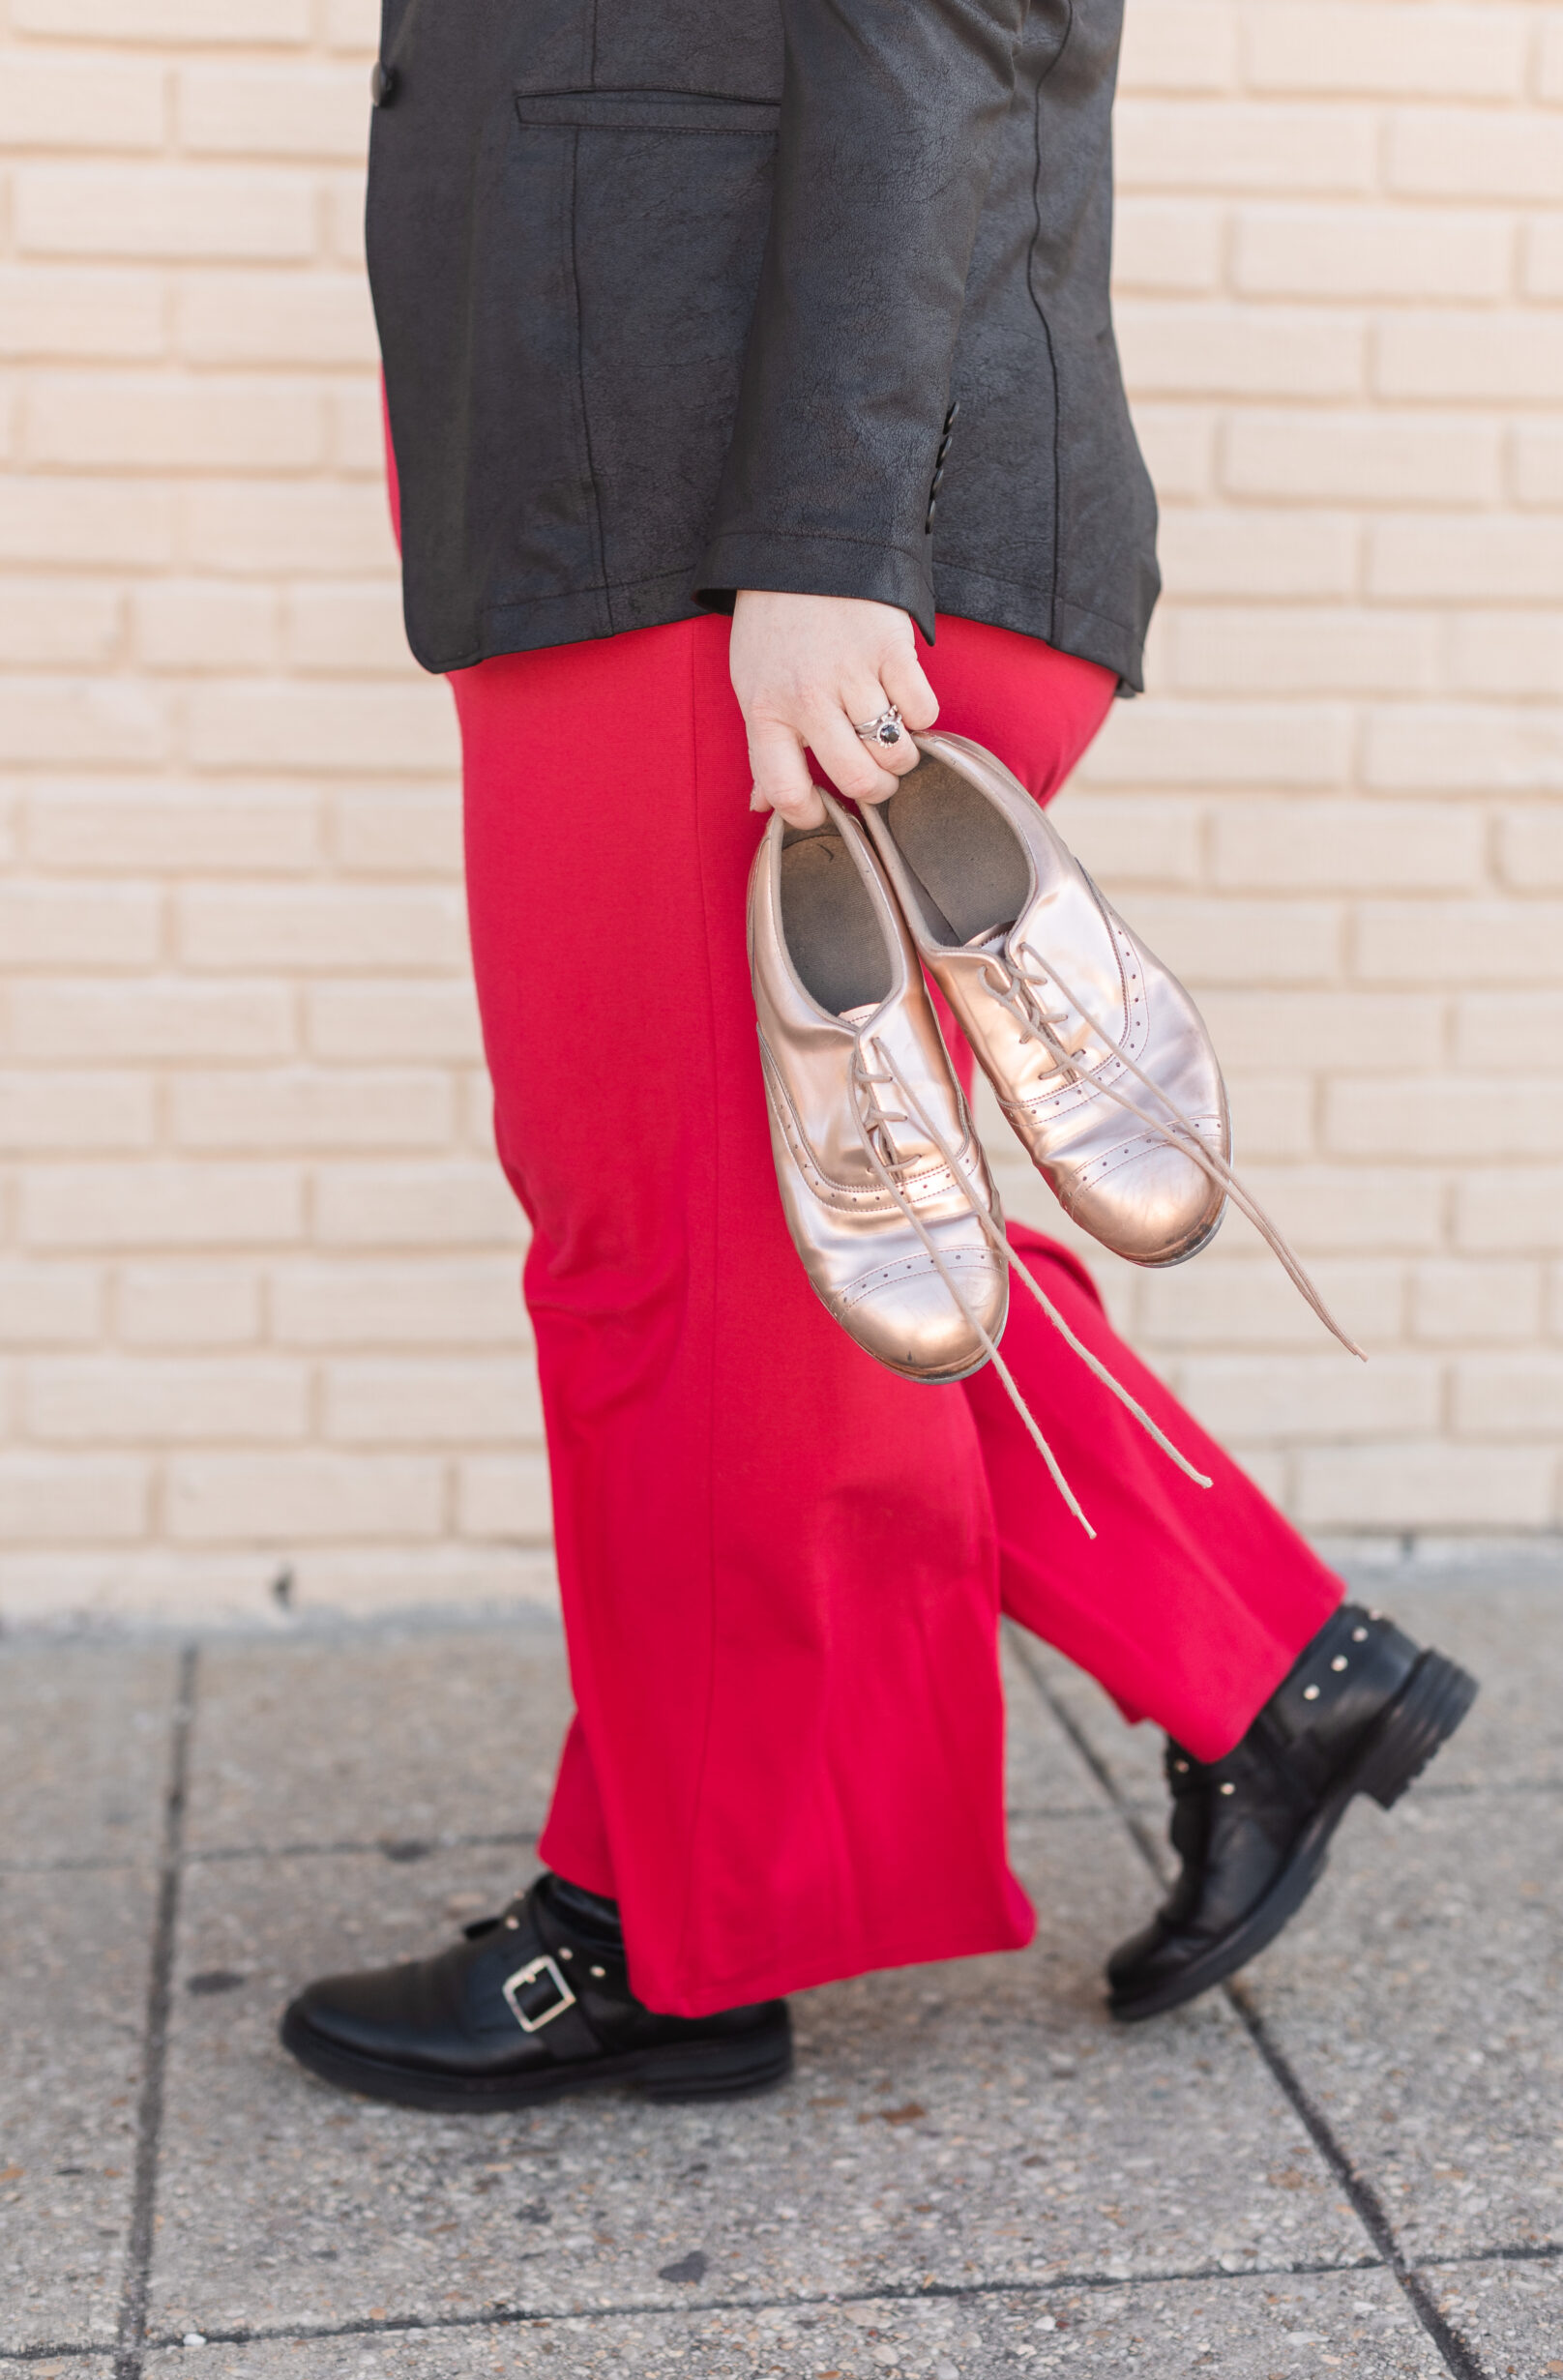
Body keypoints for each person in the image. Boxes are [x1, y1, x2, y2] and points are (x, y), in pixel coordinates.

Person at [280, 0, 1477, 2112]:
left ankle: (682, 1926)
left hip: (756, 517)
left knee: (676, 1250)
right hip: (644, 483)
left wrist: (830, 540)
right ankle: (1255, 1677)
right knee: (767, 1231)